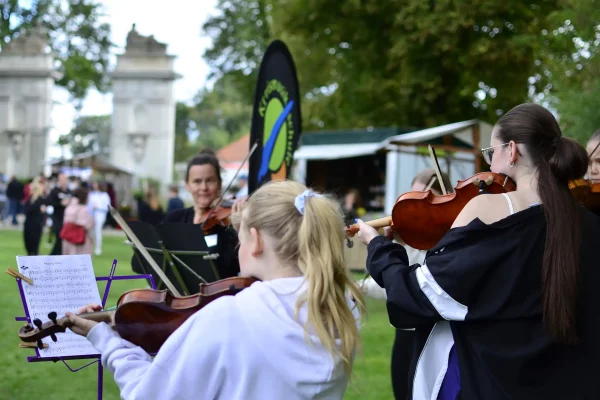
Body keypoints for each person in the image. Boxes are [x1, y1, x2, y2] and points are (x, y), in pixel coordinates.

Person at [356, 103, 600, 399]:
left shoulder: (490, 209)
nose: (489, 169)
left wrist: (378, 247)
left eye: (490, 153)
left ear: (512, 151)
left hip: (496, 385)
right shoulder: (589, 222)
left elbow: (419, 295)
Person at [65, 180, 366, 400]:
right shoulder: (342, 308)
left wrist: (106, 341)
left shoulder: (230, 316)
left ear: (257, 241)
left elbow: (150, 395)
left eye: (240, 238)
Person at [359, 168, 451, 400]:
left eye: (426, 200)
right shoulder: (409, 242)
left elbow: (417, 285)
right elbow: (394, 286)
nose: (418, 211)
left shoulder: (449, 242)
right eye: (414, 200)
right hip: (405, 336)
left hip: (437, 335)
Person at [162, 149, 241, 279]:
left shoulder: (230, 225)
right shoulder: (174, 220)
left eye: (210, 180)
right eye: (197, 181)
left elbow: (240, 266)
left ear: (220, 183)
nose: (204, 188)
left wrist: (240, 229)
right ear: (187, 185)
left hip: (221, 296)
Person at [61, 188, 94, 255]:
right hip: (80, 239)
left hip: (67, 238)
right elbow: (87, 225)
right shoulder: (84, 209)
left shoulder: (69, 207)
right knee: (81, 261)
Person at [47, 173, 71, 255]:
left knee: (64, 238)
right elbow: (49, 202)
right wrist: (60, 203)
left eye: (64, 179)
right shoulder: (55, 191)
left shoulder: (69, 191)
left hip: (67, 218)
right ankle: (53, 255)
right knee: (59, 236)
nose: (63, 182)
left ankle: (59, 255)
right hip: (57, 217)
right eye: (61, 180)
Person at [22, 178, 47, 255]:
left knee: (34, 244)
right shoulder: (29, 199)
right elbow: (26, 210)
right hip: (28, 223)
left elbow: (41, 213)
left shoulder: (41, 200)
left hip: (36, 225)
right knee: (27, 242)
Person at [89, 182, 111, 256]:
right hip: (91, 215)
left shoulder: (105, 195)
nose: (94, 185)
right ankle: (91, 247)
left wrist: (98, 207)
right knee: (91, 232)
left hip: (100, 215)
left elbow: (107, 207)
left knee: (97, 231)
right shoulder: (91, 194)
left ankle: (98, 248)